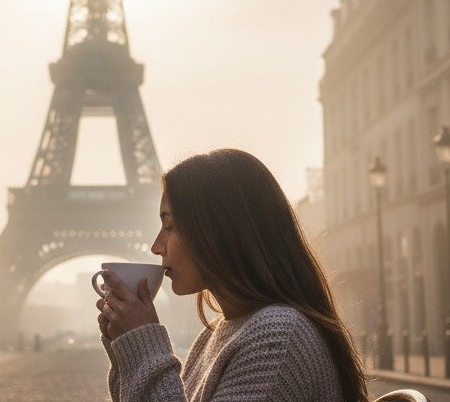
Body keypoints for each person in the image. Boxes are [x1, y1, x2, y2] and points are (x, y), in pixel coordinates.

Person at [95, 149, 368, 402]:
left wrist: (143, 343)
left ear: (217, 232)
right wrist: (126, 349)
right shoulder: (216, 336)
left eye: (169, 225)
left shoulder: (277, 336)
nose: (156, 247)